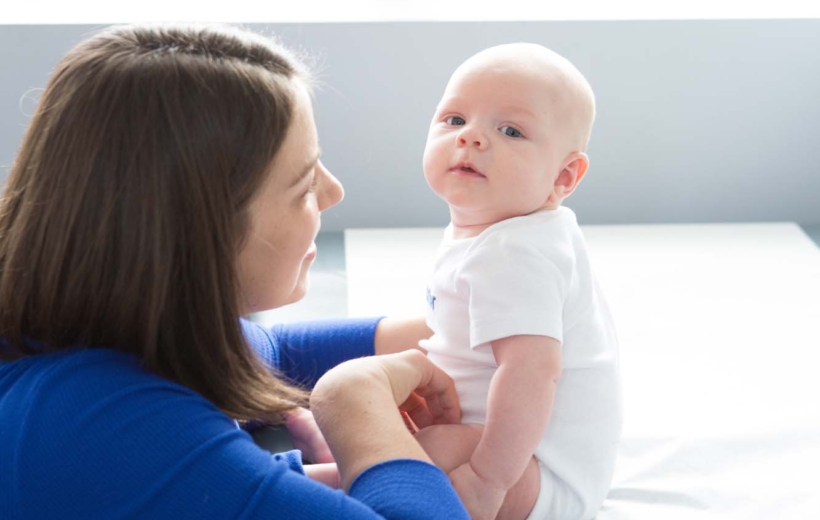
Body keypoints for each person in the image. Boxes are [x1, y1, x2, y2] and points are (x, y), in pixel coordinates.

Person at [0, 23, 470, 519]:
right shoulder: (111, 427)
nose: (334, 193)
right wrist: (362, 415)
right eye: (304, 184)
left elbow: (269, 352)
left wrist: (455, 333)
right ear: (203, 233)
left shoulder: (93, 323)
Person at [411, 43, 623, 520]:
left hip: (534, 472)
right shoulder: (507, 228)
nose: (472, 138)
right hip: (515, 446)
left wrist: (487, 480)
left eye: (510, 130)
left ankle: (305, 482)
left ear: (564, 176)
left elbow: (531, 372)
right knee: (396, 405)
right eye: (455, 119)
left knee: (423, 449)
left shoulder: (513, 252)